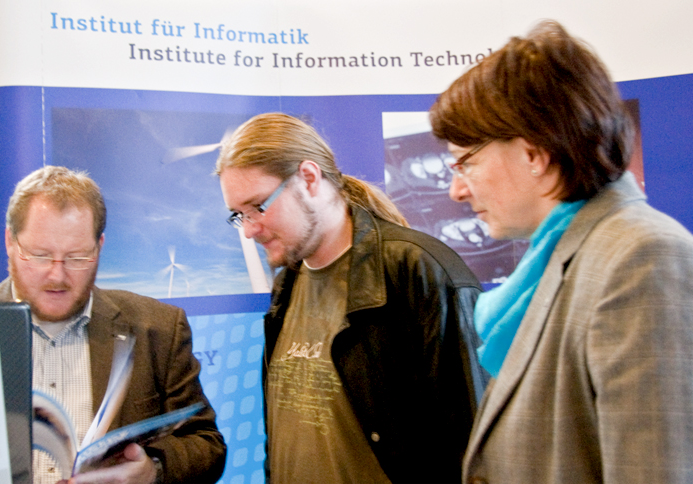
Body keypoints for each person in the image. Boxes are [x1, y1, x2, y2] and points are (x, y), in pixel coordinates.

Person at [429, 20, 693, 484]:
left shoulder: (643, 257)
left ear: (534, 154)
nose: (456, 191)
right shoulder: (564, 255)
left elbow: (653, 470)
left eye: (466, 162)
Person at [216, 112, 487, 484]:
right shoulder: (286, 285)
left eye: (258, 207)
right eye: (238, 215)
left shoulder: (418, 271)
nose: (249, 231)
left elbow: (473, 447)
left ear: (309, 178)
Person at [0, 166, 226, 484]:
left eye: (77, 257)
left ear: (99, 246)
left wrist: (153, 470)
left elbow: (207, 445)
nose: (57, 276)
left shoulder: (157, 329)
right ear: (10, 242)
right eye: (40, 255)